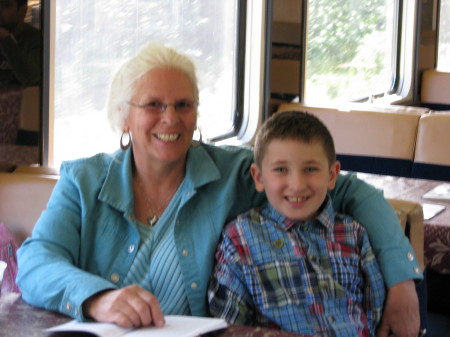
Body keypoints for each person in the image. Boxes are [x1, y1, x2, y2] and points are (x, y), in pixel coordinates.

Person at [17, 43, 420, 336]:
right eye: (153, 105)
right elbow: (35, 263)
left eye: (183, 104)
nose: (170, 118)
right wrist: (98, 299)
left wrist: (402, 281)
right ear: (123, 116)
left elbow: (351, 191)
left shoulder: (233, 173)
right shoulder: (83, 181)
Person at [208, 110, 386, 336]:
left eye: (310, 169)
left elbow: (374, 314)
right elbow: (228, 326)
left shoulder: (354, 235)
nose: (297, 185)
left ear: (332, 175)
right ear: (259, 177)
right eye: (281, 170)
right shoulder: (239, 239)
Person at [0, 0, 41, 87]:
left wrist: (6, 40)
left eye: (6, 5)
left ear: (23, 11)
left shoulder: (36, 40)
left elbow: (32, 79)